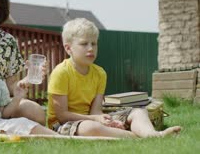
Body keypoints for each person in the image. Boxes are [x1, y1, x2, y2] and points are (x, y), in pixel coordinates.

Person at [47, 18, 182, 138]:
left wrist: (108, 121)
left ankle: (153, 135)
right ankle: (135, 137)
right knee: (90, 127)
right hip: (63, 125)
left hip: (92, 119)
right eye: (84, 44)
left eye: (94, 44)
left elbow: (96, 111)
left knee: (138, 112)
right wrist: (96, 120)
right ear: (68, 48)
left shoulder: (100, 73)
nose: (90, 48)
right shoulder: (61, 73)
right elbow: (62, 115)